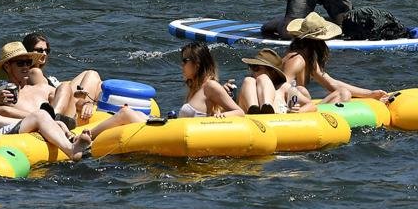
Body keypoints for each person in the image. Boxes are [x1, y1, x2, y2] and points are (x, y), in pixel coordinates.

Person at [82, 42, 244, 141]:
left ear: (197, 64)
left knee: (125, 114)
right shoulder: (197, 87)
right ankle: (90, 134)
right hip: (174, 129)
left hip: (181, 133)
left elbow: (239, 112)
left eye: (184, 61)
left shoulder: (211, 86)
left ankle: (88, 135)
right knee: (127, 112)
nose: (181, 65)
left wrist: (221, 116)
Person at [0, 42, 91, 161]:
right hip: (33, 130)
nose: (25, 67)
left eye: (28, 63)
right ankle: (52, 124)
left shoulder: (41, 88)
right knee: (1, 109)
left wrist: (86, 104)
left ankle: (53, 120)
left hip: (61, 122)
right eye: (20, 63)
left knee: (65, 86)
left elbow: (71, 101)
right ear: (7, 67)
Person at [281, 13, 388, 105]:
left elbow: (332, 83)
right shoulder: (296, 60)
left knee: (342, 92)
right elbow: (282, 88)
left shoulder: (307, 58)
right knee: (339, 93)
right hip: (292, 109)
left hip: (301, 105)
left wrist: (370, 94)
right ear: (318, 41)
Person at [22, 32, 102, 124]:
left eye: (46, 51)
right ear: (28, 51)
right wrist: (78, 97)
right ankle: (90, 109)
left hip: (60, 108)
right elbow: (50, 95)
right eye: (39, 50)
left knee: (89, 74)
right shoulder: (34, 72)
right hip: (62, 115)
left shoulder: (30, 72)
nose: (44, 54)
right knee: (92, 75)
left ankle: (92, 106)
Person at [236, 48, 292, 114]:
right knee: (248, 80)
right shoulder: (247, 86)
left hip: (272, 119)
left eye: (255, 67)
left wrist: (297, 110)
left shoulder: (283, 88)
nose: (251, 71)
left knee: (263, 78)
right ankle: (253, 110)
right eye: (251, 66)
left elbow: (307, 103)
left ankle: (266, 106)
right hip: (251, 119)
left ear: (272, 72)